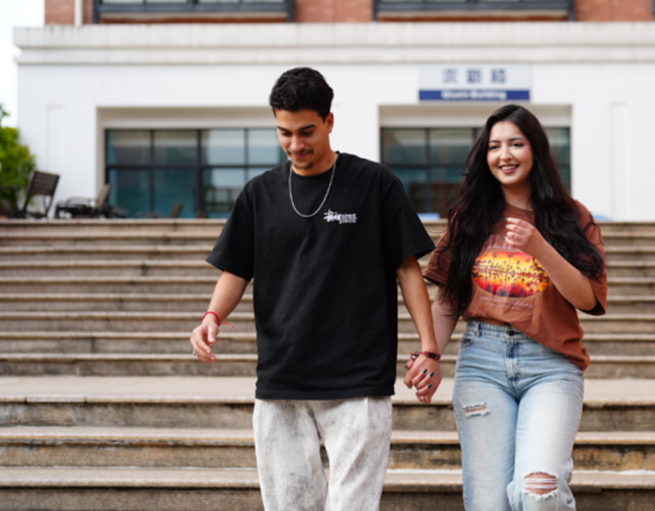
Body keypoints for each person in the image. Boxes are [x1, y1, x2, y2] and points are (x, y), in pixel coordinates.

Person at [189, 67, 442, 511]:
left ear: (329, 121)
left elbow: (407, 268)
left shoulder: (375, 184)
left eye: (306, 131)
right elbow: (236, 269)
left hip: (358, 377)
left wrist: (430, 348)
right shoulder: (259, 193)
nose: (295, 144)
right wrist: (212, 316)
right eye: (284, 133)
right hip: (282, 377)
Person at [422, 104, 607, 511]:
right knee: (488, 502)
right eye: (494, 146)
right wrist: (429, 355)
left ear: (536, 150)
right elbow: (449, 299)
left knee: (538, 492)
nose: (504, 155)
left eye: (516, 144)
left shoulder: (571, 216)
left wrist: (539, 246)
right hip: (481, 363)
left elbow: (587, 298)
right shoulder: (469, 218)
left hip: (551, 364)